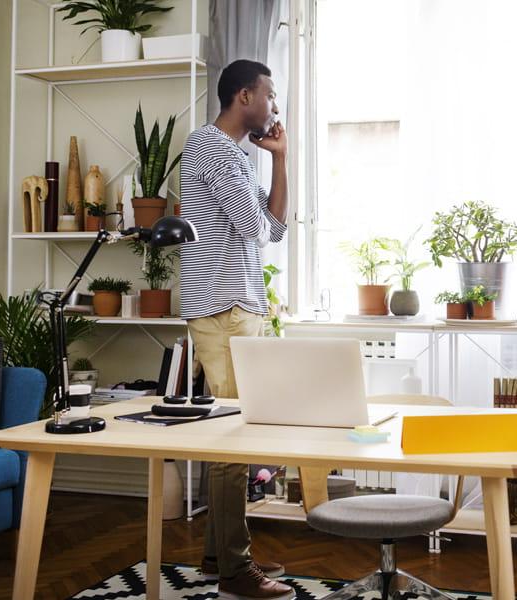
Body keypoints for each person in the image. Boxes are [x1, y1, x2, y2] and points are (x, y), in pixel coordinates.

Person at [180, 59, 292, 600]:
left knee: (235, 435)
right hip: (224, 310)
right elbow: (259, 228)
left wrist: (281, 160)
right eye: (269, 95)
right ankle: (234, 569)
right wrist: (270, 163)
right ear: (244, 96)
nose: (274, 106)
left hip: (239, 307)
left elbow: (275, 226)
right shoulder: (214, 149)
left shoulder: (234, 154)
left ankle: (216, 556)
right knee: (232, 440)